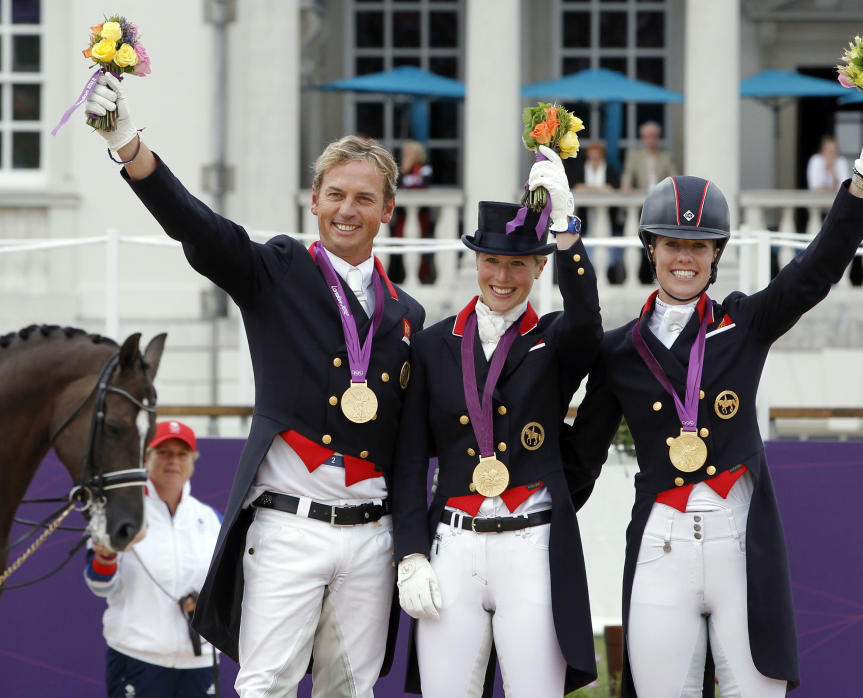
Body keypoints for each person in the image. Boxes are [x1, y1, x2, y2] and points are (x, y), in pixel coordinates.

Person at [85, 73, 426, 697]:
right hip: (289, 527)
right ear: (315, 201)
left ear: (387, 211)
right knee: (264, 686)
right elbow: (202, 230)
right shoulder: (278, 268)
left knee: (349, 692)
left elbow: (409, 448)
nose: (348, 210)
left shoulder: (407, 316)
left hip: (371, 536)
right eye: (336, 195)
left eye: (364, 198)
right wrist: (132, 150)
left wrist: (412, 548)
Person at [565, 116, 863, 697]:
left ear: (715, 254)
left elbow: (814, 272)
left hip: (739, 545)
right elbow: (581, 460)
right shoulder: (618, 351)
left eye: (698, 247)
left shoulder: (743, 323)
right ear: (651, 249)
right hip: (661, 546)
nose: (685, 259)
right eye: (673, 244)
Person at [392, 146, 602, 696]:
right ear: (476, 263)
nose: (502, 276)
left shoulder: (553, 339)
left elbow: (588, 322)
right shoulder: (436, 344)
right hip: (452, 544)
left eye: (517, 264)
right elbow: (412, 457)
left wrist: (566, 232)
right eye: (491, 261)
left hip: (530, 544)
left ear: (537, 269)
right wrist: (410, 552)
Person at [84, 420, 221, 698]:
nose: (173, 461)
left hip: (200, 661)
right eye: (164, 453)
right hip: (137, 659)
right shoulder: (122, 514)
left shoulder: (209, 519)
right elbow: (99, 585)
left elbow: (230, 588)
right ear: (146, 459)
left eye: (182, 454)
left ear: (192, 462)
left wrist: (205, 604)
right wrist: (107, 556)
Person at [620, 121, 678, 284]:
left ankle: (658, 277)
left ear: (658, 138)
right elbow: (628, 173)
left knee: (660, 243)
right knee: (641, 243)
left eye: (653, 136)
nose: (650, 139)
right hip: (641, 206)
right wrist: (626, 185)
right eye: (647, 136)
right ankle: (643, 276)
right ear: (643, 137)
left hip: (661, 208)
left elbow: (674, 177)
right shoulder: (635, 155)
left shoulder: (665, 156)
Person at [569, 141, 622, 282]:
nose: (595, 159)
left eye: (597, 156)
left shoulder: (609, 169)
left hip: (606, 215)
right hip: (586, 216)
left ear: (602, 157)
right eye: (592, 156)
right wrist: (598, 189)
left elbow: (613, 187)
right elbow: (576, 186)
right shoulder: (581, 169)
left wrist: (590, 188)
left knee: (606, 247)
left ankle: (607, 276)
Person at [388, 140, 437, 285]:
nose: (407, 155)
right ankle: (398, 275)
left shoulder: (425, 167)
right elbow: (394, 185)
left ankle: (423, 274)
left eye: (410, 152)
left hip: (420, 213)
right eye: (406, 152)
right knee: (399, 243)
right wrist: (404, 170)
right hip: (403, 214)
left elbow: (425, 182)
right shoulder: (400, 169)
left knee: (419, 243)